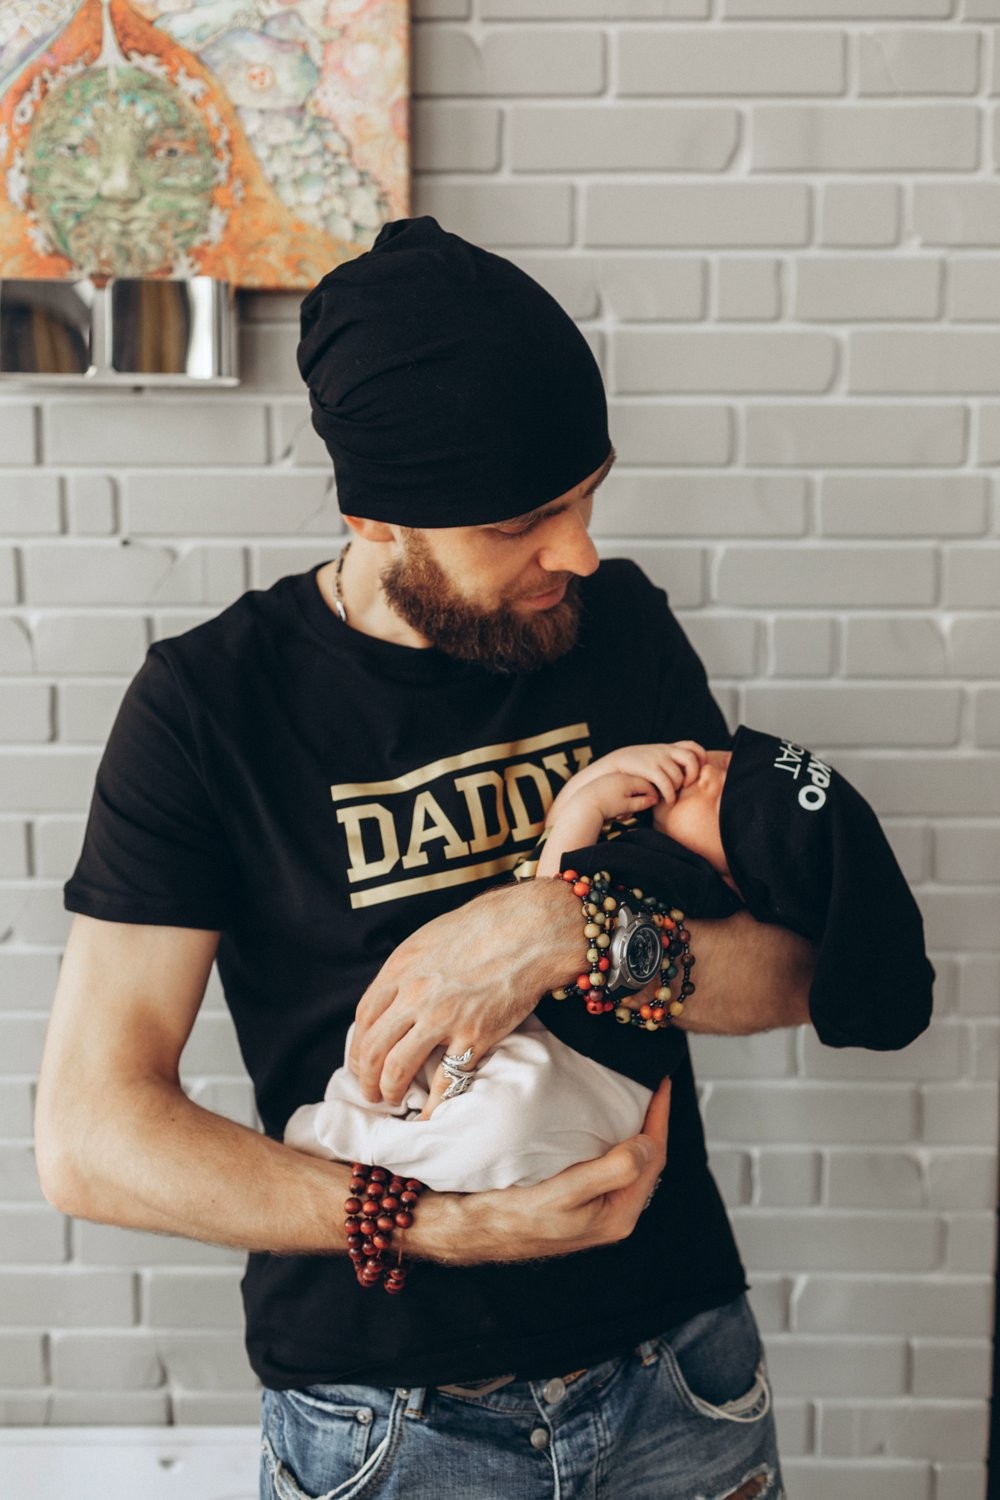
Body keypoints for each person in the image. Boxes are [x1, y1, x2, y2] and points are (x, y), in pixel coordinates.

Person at [34, 216, 930, 1500]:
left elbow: (792, 974)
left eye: (586, 495)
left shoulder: (619, 633)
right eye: (525, 521)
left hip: (677, 1372)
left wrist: (564, 931)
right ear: (378, 517)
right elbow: (92, 1135)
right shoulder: (208, 709)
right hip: (385, 1425)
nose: (579, 552)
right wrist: (448, 1228)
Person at [285, 729, 933, 1194]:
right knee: (411, 1050)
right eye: (729, 758)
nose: (706, 768)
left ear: (739, 882)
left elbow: (549, 899)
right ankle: (369, 1124)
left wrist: (589, 805)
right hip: (558, 1052)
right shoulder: (661, 834)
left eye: (725, 804)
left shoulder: (685, 881)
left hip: (589, 1077)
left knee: (499, 1133)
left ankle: (369, 1143)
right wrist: (619, 771)